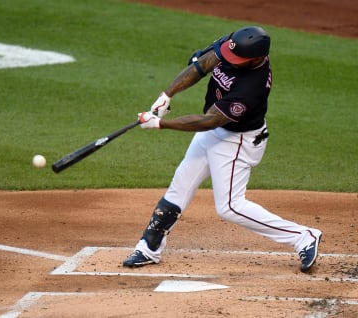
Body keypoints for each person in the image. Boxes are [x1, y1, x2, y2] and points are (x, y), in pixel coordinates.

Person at [123, 26, 322, 273]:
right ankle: (148, 248)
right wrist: (167, 95)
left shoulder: (252, 88)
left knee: (230, 207)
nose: (230, 60)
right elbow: (202, 64)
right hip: (212, 133)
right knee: (180, 185)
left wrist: (160, 123)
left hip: (236, 141)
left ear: (257, 59)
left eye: (237, 60)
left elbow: (211, 120)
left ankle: (303, 236)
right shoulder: (236, 45)